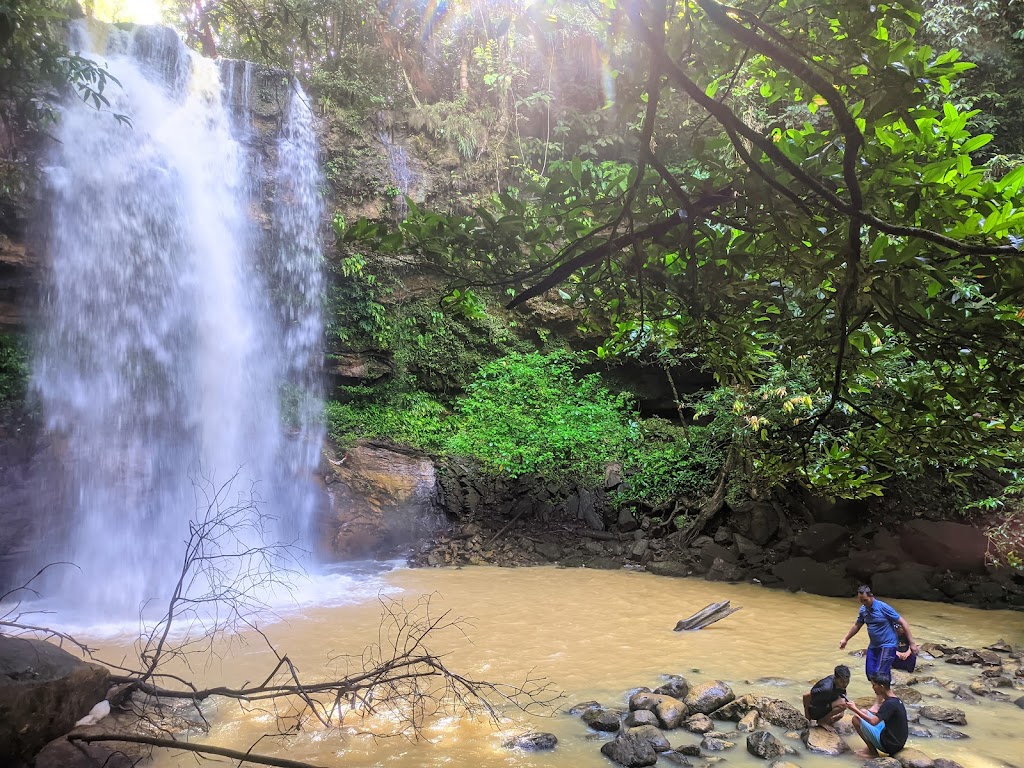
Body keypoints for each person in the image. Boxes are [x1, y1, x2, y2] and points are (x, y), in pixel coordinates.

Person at [839, 585, 920, 683]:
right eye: (861, 601)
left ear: (871, 596)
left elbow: (903, 622)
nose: (864, 603)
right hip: (874, 645)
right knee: (870, 673)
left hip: (888, 645)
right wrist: (845, 639)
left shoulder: (883, 607)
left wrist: (912, 644)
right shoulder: (863, 610)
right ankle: (883, 691)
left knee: (881, 674)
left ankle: (885, 696)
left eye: (865, 600)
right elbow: (857, 625)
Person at [844, 674, 909, 758]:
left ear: (881, 687)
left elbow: (873, 722)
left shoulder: (889, 704)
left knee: (856, 719)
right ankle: (869, 747)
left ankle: (872, 751)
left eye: (874, 685)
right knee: (864, 711)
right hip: (895, 739)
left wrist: (854, 709)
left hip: (890, 744)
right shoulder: (895, 699)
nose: (872, 687)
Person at [803, 664, 851, 728]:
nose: (845, 684)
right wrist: (807, 717)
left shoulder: (840, 685)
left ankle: (824, 719)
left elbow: (843, 693)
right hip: (815, 710)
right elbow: (806, 696)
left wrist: (841, 714)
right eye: (842, 681)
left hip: (826, 705)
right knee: (843, 704)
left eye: (847, 681)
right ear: (835, 678)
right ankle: (822, 721)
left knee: (844, 703)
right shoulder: (826, 688)